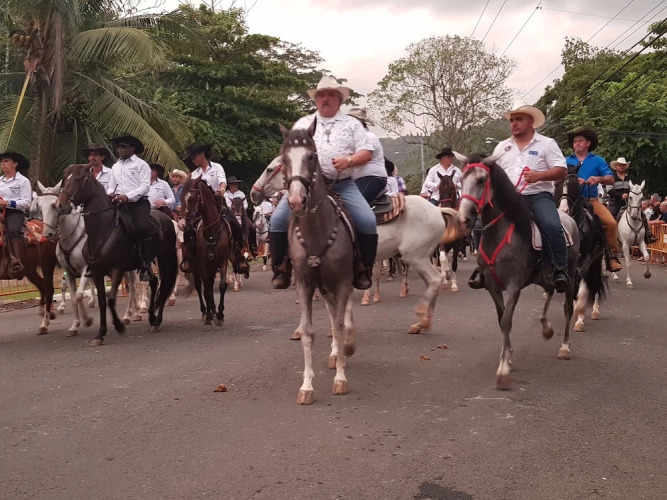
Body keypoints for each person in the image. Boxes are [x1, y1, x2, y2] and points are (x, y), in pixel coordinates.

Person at [268, 75, 376, 290]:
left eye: (330, 95)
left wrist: (349, 160)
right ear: (316, 100)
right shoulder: (302, 123)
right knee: (277, 220)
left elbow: (367, 152)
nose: (325, 99)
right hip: (305, 185)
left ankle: (363, 268)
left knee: (367, 220)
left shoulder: (352, 124)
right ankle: (281, 268)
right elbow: (288, 154)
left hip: (342, 184)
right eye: (321, 95)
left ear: (339, 99)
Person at [468, 100, 570, 292]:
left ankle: (559, 269)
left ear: (530, 122)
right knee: (482, 225)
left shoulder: (547, 144)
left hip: (538, 195)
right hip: (509, 200)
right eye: (512, 120)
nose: (514, 123)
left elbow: (561, 170)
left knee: (551, 225)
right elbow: (492, 175)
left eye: (519, 119)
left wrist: (539, 175)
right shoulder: (502, 147)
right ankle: (483, 268)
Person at [182, 142, 249, 277]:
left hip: (218, 203)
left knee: (236, 226)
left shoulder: (217, 167)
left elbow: (222, 181)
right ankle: (189, 258)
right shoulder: (194, 174)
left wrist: (222, 189)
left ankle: (239, 256)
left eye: (194, 157)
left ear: (202, 155)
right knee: (188, 229)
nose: (193, 160)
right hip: (200, 207)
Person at [565, 128, 623, 272]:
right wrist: (572, 180)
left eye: (580, 141)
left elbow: (610, 179)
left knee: (611, 223)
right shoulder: (565, 160)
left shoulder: (598, 160)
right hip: (569, 200)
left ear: (588, 143)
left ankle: (612, 256)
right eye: (575, 141)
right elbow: (557, 178)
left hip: (591, 199)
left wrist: (598, 179)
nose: (577, 143)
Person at [106, 133, 154, 281]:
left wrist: (128, 196)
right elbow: (111, 186)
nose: (119, 149)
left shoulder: (141, 164)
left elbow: (145, 186)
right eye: (118, 147)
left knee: (142, 227)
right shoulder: (115, 166)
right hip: (118, 203)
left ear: (132, 148)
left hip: (138, 203)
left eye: (123, 146)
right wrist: (110, 194)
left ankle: (146, 264)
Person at [608, 157, 656, 244]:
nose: (621, 167)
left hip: (628, 203)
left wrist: (629, 194)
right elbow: (609, 190)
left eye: (623, 165)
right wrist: (620, 195)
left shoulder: (628, 178)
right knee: (610, 218)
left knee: (642, 215)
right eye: (620, 165)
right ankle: (608, 238)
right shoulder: (612, 178)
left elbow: (633, 190)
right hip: (615, 203)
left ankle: (648, 235)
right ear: (616, 167)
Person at [0, 151, 32, 277]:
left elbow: (27, 203)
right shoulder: (0, 180)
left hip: (14, 212)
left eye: (6, 161)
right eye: (2, 162)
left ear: (15, 164)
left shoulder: (23, 181)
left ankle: (16, 261)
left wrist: (7, 203)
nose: (3, 164)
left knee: (13, 230)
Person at [348, 108, 387, 203]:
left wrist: (344, 161)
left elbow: (361, 158)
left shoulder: (368, 137)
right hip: (359, 180)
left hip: (373, 178)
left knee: (353, 203)